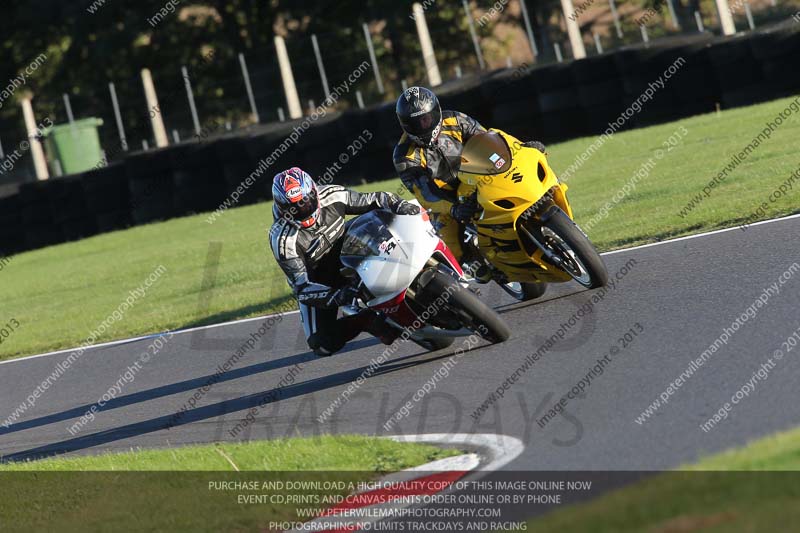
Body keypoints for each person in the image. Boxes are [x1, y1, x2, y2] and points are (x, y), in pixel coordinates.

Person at [392, 86, 546, 274]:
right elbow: (426, 194)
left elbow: (490, 139)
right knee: (451, 246)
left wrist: (522, 149)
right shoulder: (404, 156)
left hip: (477, 176)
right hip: (446, 199)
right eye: (416, 123)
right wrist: (453, 208)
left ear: (436, 112)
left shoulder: (454, 120)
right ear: (405, 125)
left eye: (426, 119)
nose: (423, 126)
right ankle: (473, 265)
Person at [269, 167, 420, 357]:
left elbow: (376, 199)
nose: (302, 210)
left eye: (305, 202)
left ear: (314, 193)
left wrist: (399, 205)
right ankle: (366, 320)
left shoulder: (332, 195)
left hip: (351, 247)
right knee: (321, 344)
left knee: (378, 219)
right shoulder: (282, 240)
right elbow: (302, 288)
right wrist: (338, 296)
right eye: (293, 208)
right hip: (319, 278)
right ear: (282, 209)